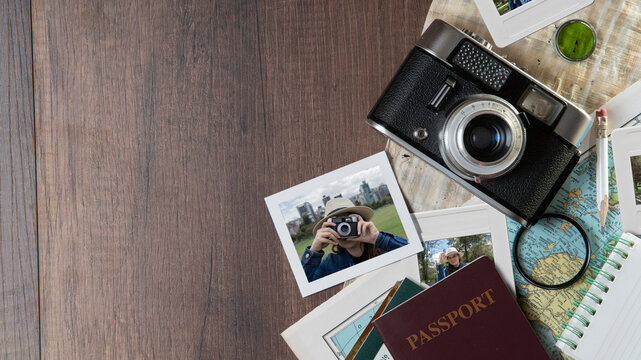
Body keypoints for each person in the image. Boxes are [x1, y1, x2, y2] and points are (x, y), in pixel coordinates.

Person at [301, 198, 408, 282]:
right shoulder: (330, 264)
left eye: (348, 223)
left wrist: (377, 238)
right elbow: (308, 287)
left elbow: (416, 253)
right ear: (328, 230)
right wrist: (314, 251)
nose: (344, 229)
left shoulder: (385, 247)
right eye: (337, 225)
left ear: (361, 222)